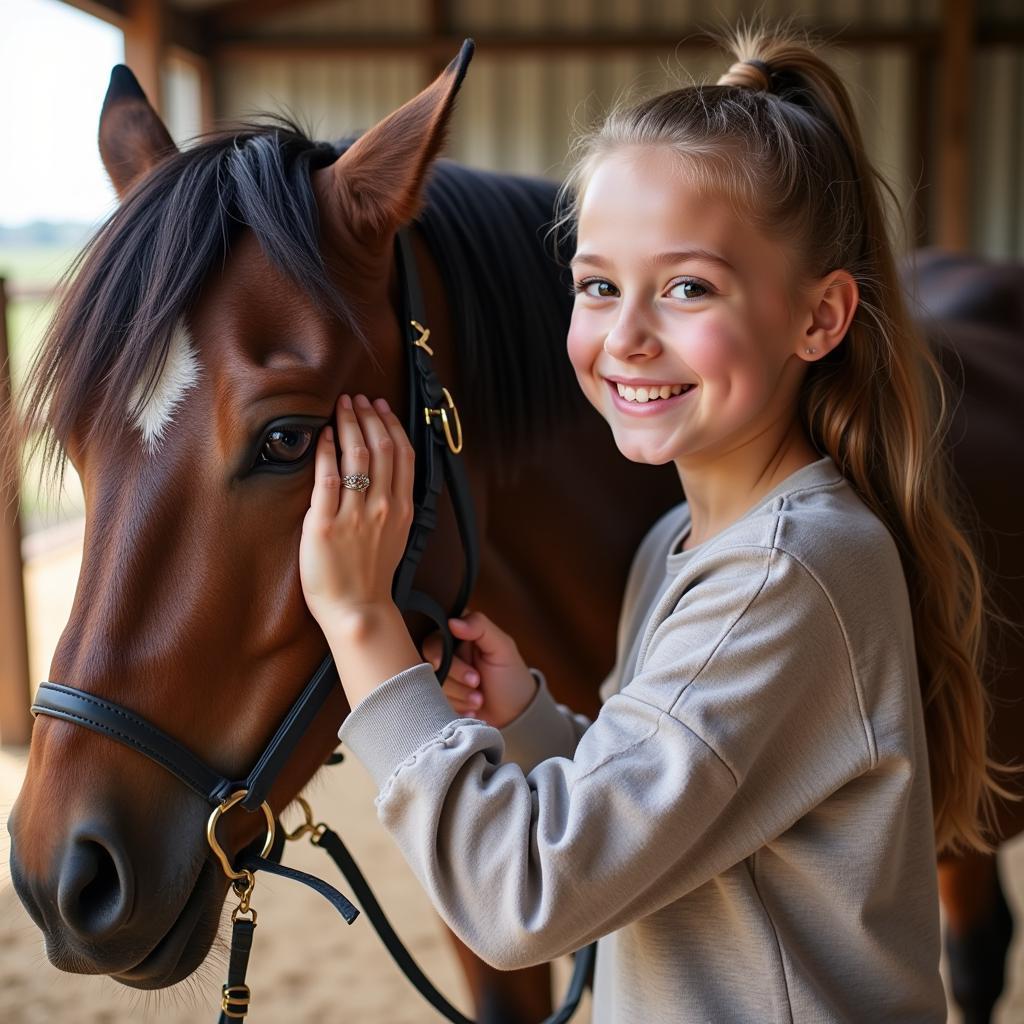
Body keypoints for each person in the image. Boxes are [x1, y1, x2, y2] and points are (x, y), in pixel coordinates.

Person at [297, 27, 1007, 1023]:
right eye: (597, 285)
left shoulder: (781, 574)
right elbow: (674, 797)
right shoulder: (681, 545)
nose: (625, 335)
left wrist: (361, 624)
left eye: (687, 287)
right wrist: (533, 723)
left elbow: (525, 901)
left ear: (819, 318)